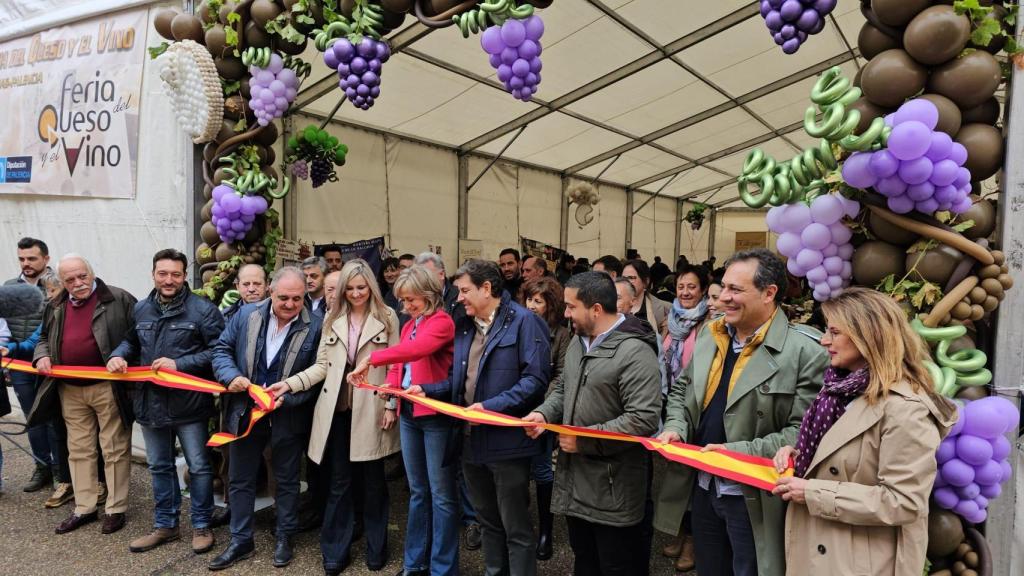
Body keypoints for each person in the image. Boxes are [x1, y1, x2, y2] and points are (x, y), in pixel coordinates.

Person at [654, 249, 828, 576]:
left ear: (769, 293)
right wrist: (676, 425)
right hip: (704, 486)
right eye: (723, 288)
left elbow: (802, 434)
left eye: (736, 290)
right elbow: (682, 390)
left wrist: (732, 454)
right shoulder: (711, 334)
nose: (724, 299)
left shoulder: (806, 352)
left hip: (753, 495)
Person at [770, 288, 957, 576]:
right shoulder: (837, 391)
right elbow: (841, 457)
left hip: (862, 563)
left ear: (869, 336)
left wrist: (812, 490)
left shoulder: (906, 409)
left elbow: (903, 501)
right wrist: (798, 455)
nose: (824, 340)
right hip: (821, 547)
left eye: (835, 332)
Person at [522, 272, 662, 576]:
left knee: (615, 564)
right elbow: (563, 388)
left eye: (572, 307)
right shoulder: (579, 341)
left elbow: (644, 418)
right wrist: (545, 414)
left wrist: (584, 441)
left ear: (596, 309)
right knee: (585, 559)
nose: (566, 313)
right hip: (577, 483)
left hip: (613, 486)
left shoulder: (634, 351)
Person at [417, 259, 550, 576]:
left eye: (464, 290)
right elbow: (458, 380)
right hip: (469, 440)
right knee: (487, 521)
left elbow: (535, 381)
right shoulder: (463, 324)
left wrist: (491, 407)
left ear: (486, 288)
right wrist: (428, 389)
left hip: (508, 444)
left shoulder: (524, 322)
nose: (458, 297)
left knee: (516, 526)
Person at [270, 259, 401, 574]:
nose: (356, 293)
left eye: (361, 287)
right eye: (351, 288)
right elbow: (321, 366)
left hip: (371, 411)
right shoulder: (332, 317)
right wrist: (289, 384)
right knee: (339, 483)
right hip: (337, 413)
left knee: (373, 484)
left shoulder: (388, 317)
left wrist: (391, 405)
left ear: (371, 286)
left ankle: (376, 547)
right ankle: (335, 552)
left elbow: (397, 364)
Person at [106, 249, 224, 555]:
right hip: (150, 403)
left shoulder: (203, 310)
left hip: (190, 406)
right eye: (163, 273)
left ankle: (201, 525)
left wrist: (180, 364)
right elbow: (131, 341)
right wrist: (118, 354)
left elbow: (219, 351)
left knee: (198, 467)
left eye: (175, 274)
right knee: (159, 466)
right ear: (153, 274)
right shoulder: (142, 308)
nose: (168, 280)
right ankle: (166, 526)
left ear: (185, 276)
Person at [207, 267, 323, 571]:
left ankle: (285, 537)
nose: (289, 304)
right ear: (271, 290)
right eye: (283, 297)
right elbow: (221, 349)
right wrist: (231, 376)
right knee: (240, 479)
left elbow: (318, 378)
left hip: (287, 417)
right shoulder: (246, 316)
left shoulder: (316, 327)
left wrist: (291, 398)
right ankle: (240, 540)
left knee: (286, 481)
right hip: (245, 413)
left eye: (297, 299)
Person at [348, 265, 457, 576]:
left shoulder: (442, 322)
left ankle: (442, 568)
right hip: (410, 414)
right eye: (404, 301)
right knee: (419, 493)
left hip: (434, 415)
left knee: (441, 496)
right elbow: (402, 359)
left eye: (412, 300)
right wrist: (390, 389)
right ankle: (415, 563)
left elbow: (414, 350)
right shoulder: (411, 324)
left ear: (430, 295)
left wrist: (372, 359)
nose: (407, 307)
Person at [32, 254, 137, 535]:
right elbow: (42, 338)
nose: (78, 283)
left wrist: (121, 356)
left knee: (113, 448)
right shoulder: (55, 304)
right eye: (70, 280)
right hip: (69, 389)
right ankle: (85, 507)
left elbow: (137, 335)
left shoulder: (118, 298)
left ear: (91, 272)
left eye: (82, 276)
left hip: (107, 386)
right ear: (62, 282)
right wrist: (41, 356)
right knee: (78, 450)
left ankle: (116, 508)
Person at [654, 264, 711, 572]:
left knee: (694, 480)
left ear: (703, 289)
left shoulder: (710, 322)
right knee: (677, 476)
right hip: (671, 406)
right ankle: (680, 532)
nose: (686, 292)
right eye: (681, 287)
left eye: (691, 287)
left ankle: (693, 541)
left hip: (697, 408)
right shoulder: (670, 320)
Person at [521, 275, 571, 561]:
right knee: (516, 472)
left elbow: (562, 375)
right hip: (518, 410)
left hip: (543, 412)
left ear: (550, 305)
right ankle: (522, 527)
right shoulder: (517, 328)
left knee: (542, 472)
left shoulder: (562, 335)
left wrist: (542, 405)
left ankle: (545, 532)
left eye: (538, 301)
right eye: (529, 299)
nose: (531, 306)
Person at [4, 237, 56, 493]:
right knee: (32, 417)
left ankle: (60, 469)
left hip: (51, 362)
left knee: (55, 418)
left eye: (32, 258)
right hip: (20, 364)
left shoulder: (58, 284)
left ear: (46, 259)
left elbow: (48, 325)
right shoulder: (10, 287)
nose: (26, 263)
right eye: (22, 259)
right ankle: (41, 465)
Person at [623, 259, 670, 340]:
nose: (627, 282)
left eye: (631, 278)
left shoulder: (665, 309)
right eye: (623, 278)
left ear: (646, 281)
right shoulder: (612, 307)